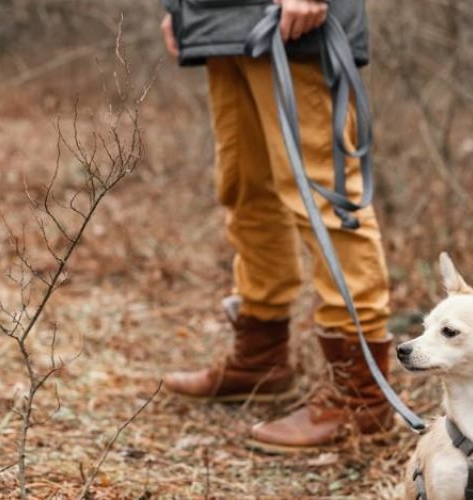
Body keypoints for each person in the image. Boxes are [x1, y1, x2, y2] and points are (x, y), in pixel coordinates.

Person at [157, 0, 396, 452]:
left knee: (324, 197)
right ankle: (261, 356)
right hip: (219, 21)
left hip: (293, 23)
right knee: (245, 188)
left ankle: (361, 396)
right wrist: (179, 8)